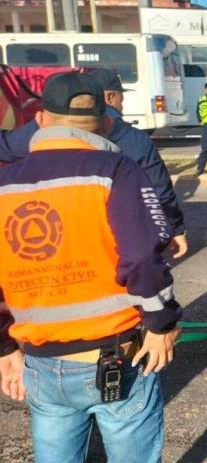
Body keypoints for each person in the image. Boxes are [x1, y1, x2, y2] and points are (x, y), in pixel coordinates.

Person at [0, 71, 181, 462]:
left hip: (41, 363)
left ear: (42, 121)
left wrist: (4, 347)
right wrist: (161, 323)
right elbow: (143, 257)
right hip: (117, 357)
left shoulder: (4, 183)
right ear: (104, 122)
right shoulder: (116, 171)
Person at [0, 68, 189, 257]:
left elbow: (6, 148)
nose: (122, 106)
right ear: (110, 98)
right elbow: (159, 191)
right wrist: (175, 228)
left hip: (53, 239)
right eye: (121, 100)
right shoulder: (134, 139)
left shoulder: (42, 127)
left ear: (40, 119)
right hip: (116, 245)